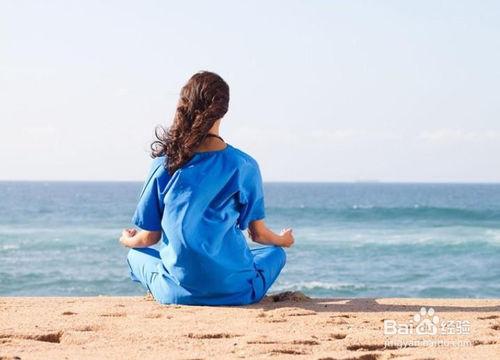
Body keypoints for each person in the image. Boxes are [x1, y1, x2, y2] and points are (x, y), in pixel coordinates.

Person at [119, 71, 294, 305]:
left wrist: (127, 239)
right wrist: (284, 240)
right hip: (236, 293)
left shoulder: (164, 165)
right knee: (275, 253)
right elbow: (259, 235)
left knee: (136, 255)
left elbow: (149, 238)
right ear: (224, 109)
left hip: (177, 294)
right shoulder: (244, 165)